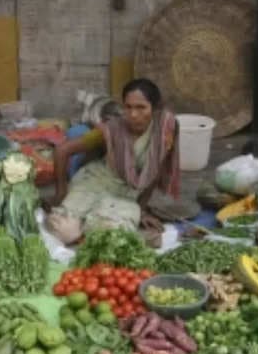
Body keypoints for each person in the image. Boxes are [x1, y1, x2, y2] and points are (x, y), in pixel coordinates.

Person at [46, 78, 179, 245]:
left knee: (113, 233)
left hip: (126, 195)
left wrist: (142, 210)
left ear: (155, 109)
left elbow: (154, 172)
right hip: (94, 183)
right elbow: (62, 151)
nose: (133, 114)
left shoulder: (163, 132)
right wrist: (60, 193)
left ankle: (88, 233)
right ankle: (84, 232)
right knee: (61, 229)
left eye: (141, 107)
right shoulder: (111, 130)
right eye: (128, 107)